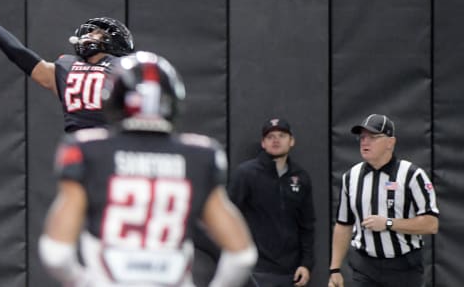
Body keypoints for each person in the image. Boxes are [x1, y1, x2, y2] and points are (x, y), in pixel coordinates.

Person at [38, 51, 258, 287]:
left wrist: (84, 282)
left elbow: (56, 254)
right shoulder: (200, 155)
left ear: (114, 99)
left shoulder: (89, 150)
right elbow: (241, 255)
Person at [0, 0, 134, 132]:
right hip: (80, 148)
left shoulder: (124, 67)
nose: (89, 36)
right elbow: (20, 54)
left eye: (98, 33)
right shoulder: (68, 67)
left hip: (115, 145)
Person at [328, 114, 439, 287]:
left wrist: (388, 223)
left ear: (390, 142)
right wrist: (334, 269)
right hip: (365, 268)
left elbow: (431, 224)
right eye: (362, 137)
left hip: (404, 268)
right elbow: (344, 224)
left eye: (372, 137)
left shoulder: (412, 175)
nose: (365, 142)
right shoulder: (350, 177)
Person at [228, 118, 315, 287]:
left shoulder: (301, 177)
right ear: (263, 143)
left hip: (291, 272)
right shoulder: (246, 174)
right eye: (270, 137)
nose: (276, 140)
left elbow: (307, 225)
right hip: (256, 269)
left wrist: (306, 264)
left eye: (281, 135)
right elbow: (229, 217)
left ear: (291, 141)